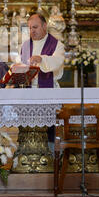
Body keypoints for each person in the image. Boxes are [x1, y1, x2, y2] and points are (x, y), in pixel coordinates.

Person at [11, 13, 65, 145]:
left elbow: (57, 61)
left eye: (35, 27)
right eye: (29, 28)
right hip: (27, 92)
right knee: (26, 127)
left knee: (49, 127)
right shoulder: (24, 45)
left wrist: (42, 59)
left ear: (44, 26)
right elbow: (20, 64)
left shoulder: (57, 45)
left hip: (48, 90)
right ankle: (25, 152)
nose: (32, 31)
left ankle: (51, 156)